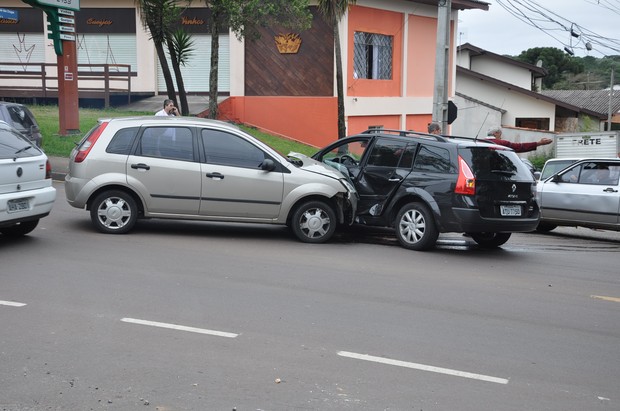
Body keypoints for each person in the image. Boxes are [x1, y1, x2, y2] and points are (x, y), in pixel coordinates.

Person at [485, 126, 552, 153]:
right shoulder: (502, 143)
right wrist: (539, 143)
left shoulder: (478, 142)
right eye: (500, 134)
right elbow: (520, 147)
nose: (501, 137)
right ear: (496, 133)